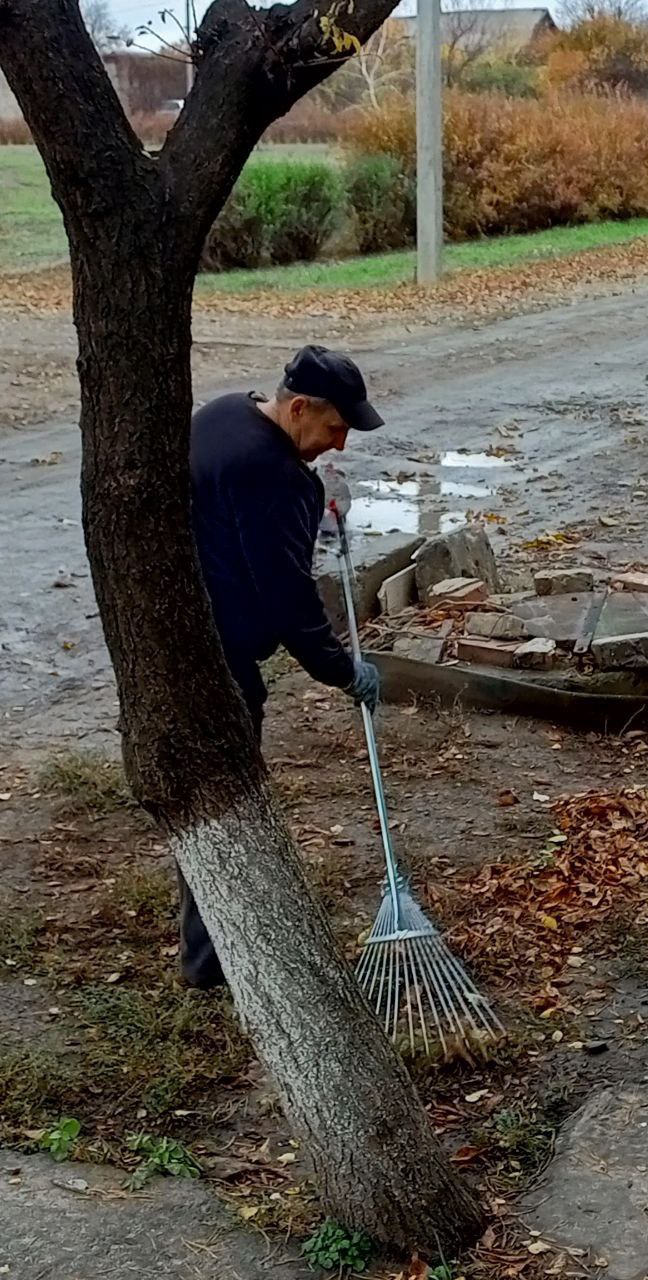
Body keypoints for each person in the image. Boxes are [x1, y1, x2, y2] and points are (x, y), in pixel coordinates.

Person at [183, 344, 383, 989]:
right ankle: (215, 966)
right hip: (220, 658)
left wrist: (317, 507)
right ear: (299, 407)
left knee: (207, 797)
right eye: (334, 430)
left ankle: (208, 956)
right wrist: (340, 668)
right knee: (227, 804)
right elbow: (287, 593)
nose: (340, 446)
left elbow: (240, 526)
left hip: (188, 638)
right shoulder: (272, 472)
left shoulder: (222, 416)